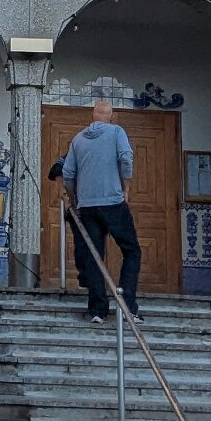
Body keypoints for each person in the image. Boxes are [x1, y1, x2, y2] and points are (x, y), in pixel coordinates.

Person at [59, 99, 140, 323]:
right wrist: (126, 188)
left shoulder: (78, 139)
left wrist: (74, 198)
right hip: (113, 202)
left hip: (87, 207)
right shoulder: (116, 132)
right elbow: (126, 158)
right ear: (110, 116)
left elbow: (67, 173)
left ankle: (97, 311)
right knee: (131, 250)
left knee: (93, 256)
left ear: (93, 116)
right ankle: (128, 306)